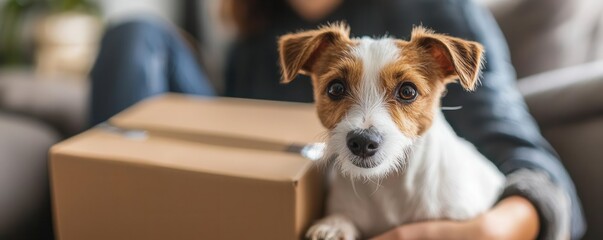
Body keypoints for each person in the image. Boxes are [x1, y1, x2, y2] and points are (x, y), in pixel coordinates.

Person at [89, 0, 585, 239]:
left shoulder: (437, 10)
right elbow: (239, 142)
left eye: (405, 92)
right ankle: (97, 200)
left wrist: (489, 231)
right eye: (337, 89)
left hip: (447, 206)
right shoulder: (257, 26)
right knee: (133, 34)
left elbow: (533, 163)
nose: (366, 124)